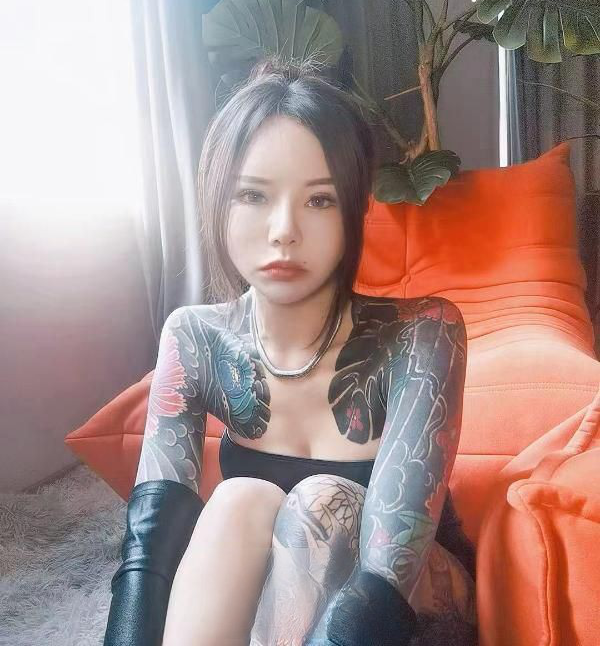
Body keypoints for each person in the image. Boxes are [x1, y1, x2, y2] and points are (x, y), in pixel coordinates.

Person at [103, 53, 476, 646]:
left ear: (355, 210)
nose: (284, 230)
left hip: (403, 607)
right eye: (253, 196)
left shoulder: (423, 333)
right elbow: (150, 544)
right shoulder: (194, 337)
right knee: (236, 500)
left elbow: (388, 572)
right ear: (217, 201)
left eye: (319, 200)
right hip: (279, 595)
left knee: (317, 504)